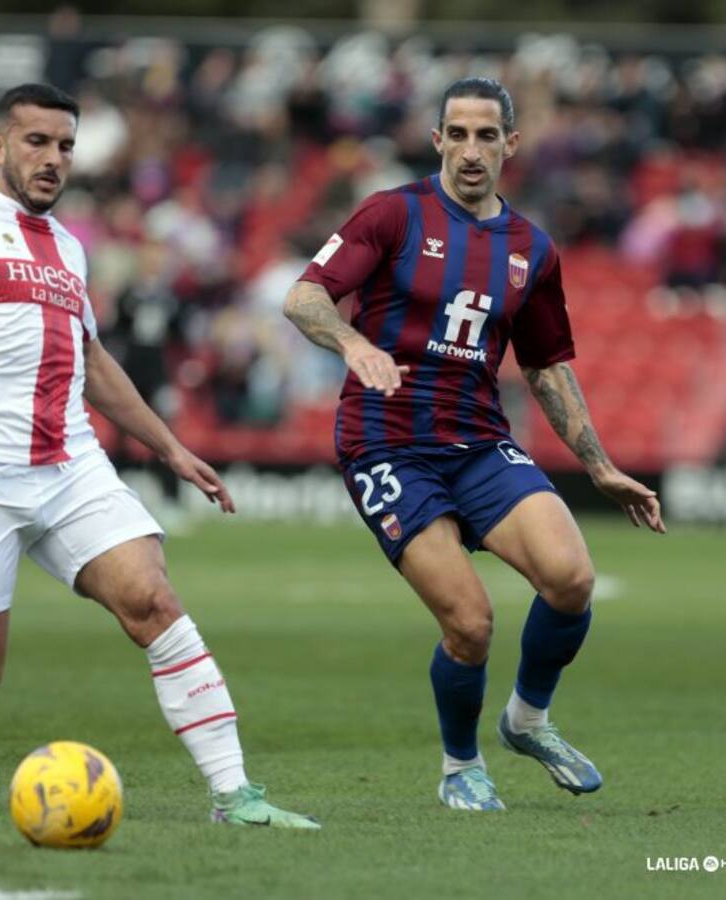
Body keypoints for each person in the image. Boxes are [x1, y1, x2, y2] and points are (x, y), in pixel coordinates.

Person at [0, 83, 318, 831]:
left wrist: (171, 448)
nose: (52, 159)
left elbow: (93, 362)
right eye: (36, 142)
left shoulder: (70, 247)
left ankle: (236, 796)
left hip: (69, 464)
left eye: (65, 145)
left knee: (154, 602)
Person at [283, 77, 665, 812]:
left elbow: (547, 367)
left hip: (479, 442)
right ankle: (461, 766)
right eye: (456, 134)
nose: (470, 150)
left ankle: (528, 720)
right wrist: (355, 343)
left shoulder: (531, 248)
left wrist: (601, 465)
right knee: (470, 621)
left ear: (510, 145)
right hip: (386, 443)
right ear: (436, 141)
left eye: (485, 135)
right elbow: (303, 296)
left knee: (572, 579)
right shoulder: (393, 213)